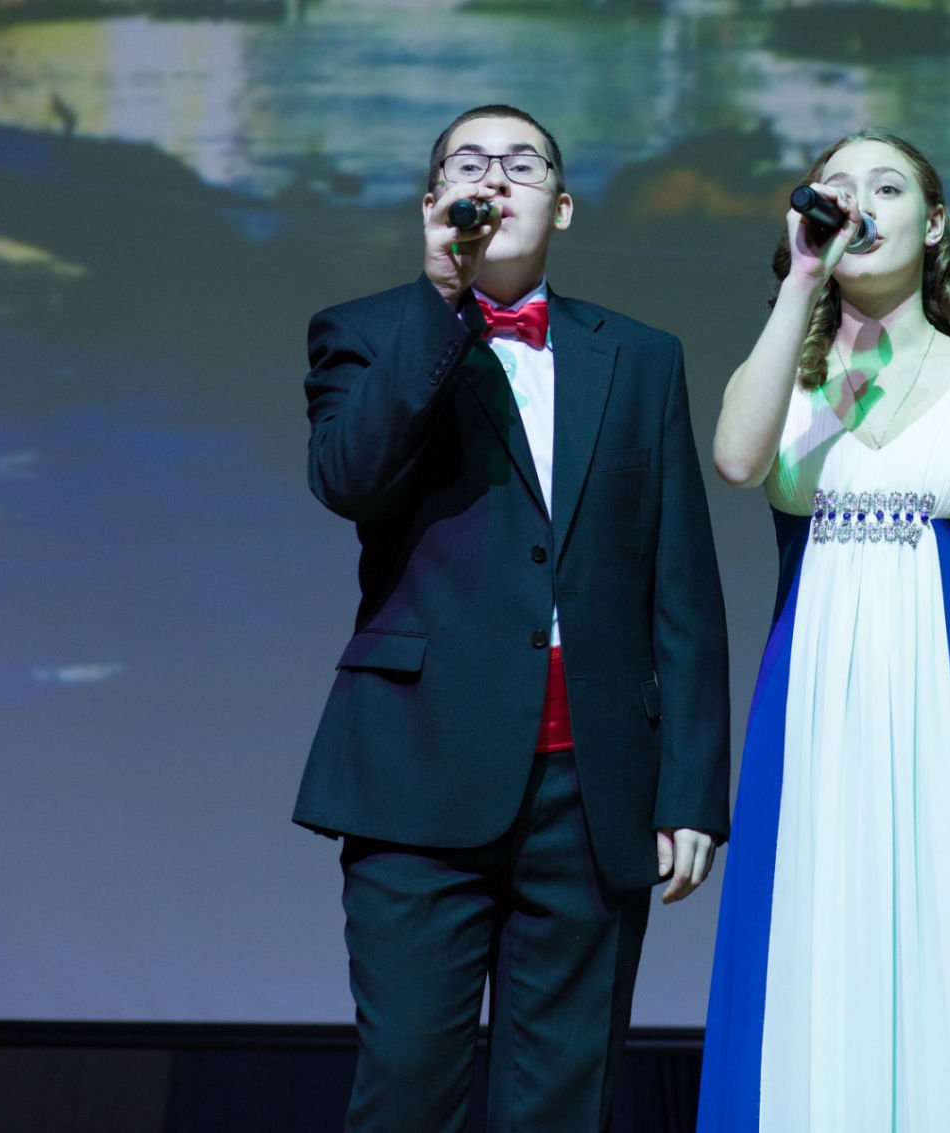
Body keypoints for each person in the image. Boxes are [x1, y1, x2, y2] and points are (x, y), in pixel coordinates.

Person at [292, 104, 730, 1133]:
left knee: (561, 1099)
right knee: (407, 1082)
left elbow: (679, 579)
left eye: (521, 164)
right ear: (432, 201)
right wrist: (440, 298)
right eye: (469, 164)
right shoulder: (364, 332)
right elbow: (350, 478)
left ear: (562, 207)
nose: (494, 178)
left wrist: (692, 786)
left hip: (594, 784)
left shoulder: (639, 355)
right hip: (417, 771)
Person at [698, 130, 950, 1132]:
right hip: (808, 728)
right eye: (836, 190)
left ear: (935, 221)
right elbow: (735, 459)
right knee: (806, 983)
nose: (860, 205)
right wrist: (801, 281)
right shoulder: (785, 373)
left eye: (887, 187)